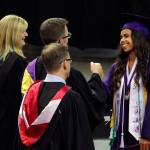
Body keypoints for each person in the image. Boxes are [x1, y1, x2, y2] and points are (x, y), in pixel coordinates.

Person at [21, 17, 107, 131]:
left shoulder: (31, 68)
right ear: (61, 41)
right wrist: (96, 77)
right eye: (67, 36)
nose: (68, 40)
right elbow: (89, 108)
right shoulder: (70, 74)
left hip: (40, 135)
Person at [18, 43, 95, 150]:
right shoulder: (72, 99)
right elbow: (81, 141)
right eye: (69, 60)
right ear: (64, 64)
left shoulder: (31, 93)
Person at [100, 18, 150, 150]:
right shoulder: (116, 67)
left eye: (126, 36)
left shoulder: (148, 66)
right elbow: (105, 93)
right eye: (121, 37)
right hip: (119, 131)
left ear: (138, 38)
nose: (122, 40)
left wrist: (147, 134)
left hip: (140, 135)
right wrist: (97, 78)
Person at [0, 15, 28, 150]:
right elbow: (20, 100)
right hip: (9, 127)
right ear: (13, 33)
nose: (26, 34)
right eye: (23, 31)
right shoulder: (18, 63)